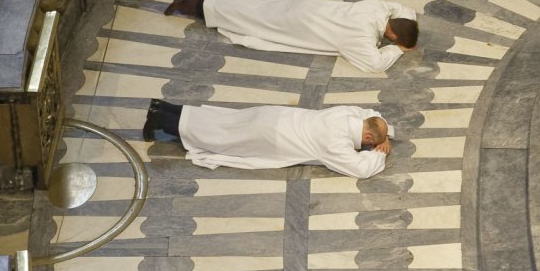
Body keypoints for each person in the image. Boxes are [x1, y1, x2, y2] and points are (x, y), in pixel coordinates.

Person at [165, 0, 417, 74]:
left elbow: (405, 11)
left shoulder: (377, 8)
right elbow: (374, 64)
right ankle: (192, 5)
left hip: (304, 9)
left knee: (255, 6)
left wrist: (407, 29)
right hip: (297, 27)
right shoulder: (360, 38)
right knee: (250, 21)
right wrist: (398, 49)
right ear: (392, 35)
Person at [143, 99, 394, 179]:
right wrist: (379, 151)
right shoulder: (335, 143)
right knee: (218, 137)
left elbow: (372, 115)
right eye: (370, 142)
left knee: (223, 121)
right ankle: (161, 121)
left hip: (273, 115)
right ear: (369, 136)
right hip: (271, 136)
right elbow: (361, 169)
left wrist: (386, 133)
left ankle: (164, 107)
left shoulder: (348, 113)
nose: (369, 146)